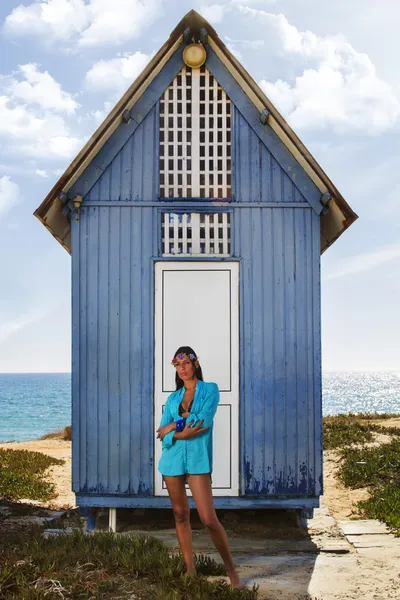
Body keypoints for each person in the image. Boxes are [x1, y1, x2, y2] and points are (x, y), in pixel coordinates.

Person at [157, 345, 245, 591]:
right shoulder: (172, 398)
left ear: (195, 364)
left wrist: (174, 428)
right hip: (172, 461)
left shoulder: (210, 390)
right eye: (178, 365)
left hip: (198, 461)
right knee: (180, 514)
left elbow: (202, 422)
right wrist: (175, 432)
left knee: (208, 518)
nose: (182, 369)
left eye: (186, 363)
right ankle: (190, 569)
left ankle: (232, 574)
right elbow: (160, 435)